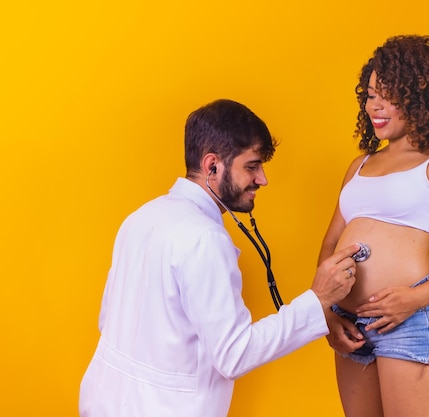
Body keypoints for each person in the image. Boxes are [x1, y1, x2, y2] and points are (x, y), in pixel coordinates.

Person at [79, 99, 360, 417]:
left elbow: (109, 320)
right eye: (252, 166)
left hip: (103, 403)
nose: (262, 179)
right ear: (212, 166)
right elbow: (234, 355)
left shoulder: (142, 216)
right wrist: (318, 300)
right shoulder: (204, 238)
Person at [318, 35, 429, 417]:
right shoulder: (359, 165)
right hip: (349, 325)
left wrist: (417, 298)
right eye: (369, 95)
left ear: (419, 98)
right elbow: (330, 245)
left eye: (387, 95)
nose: (374, 106)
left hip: (410, 319)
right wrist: (326, 311)